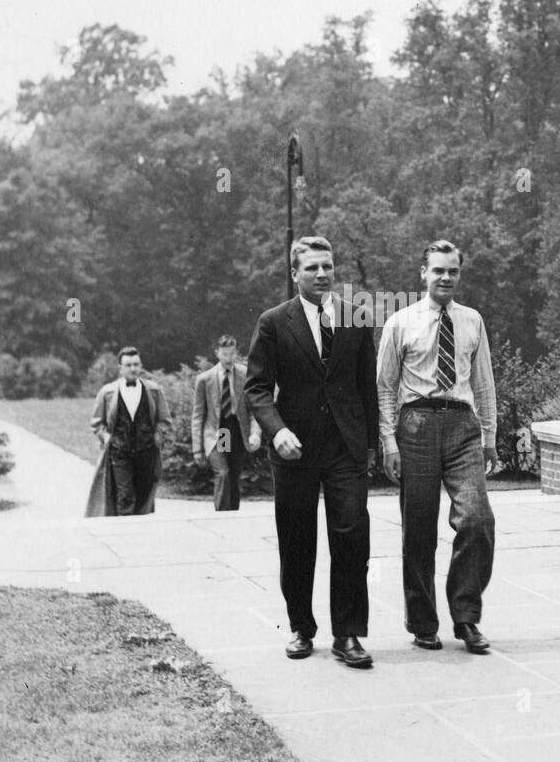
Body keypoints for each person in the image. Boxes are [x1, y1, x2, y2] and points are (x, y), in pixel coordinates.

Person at [245, 236, 379, 669]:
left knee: (352, 537)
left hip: (345, 448)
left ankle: (349, 634)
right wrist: (277, 430)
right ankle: (301, 627)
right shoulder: (273, 322)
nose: (322, 274)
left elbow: (366, 389)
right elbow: (257, 388)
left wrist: (372, 445)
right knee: (298, 540)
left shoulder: (357, 319)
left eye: (328, 266)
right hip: (295, 450)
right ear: (294, 273)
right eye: (312, 268)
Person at [377, 239, 498, 655]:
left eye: (453, 271)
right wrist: (388, 441)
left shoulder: (472, 321)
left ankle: (466, 617)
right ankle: (423, 622)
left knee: (477, 520)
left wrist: (491, 437)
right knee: (419, 530)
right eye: (438, 270)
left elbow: (483, 383)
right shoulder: (401, 322)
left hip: (463, 426)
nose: (445, 278)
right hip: (417, 425)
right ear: (422, 273)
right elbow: (384, 388)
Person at [85, 347, 172, 517]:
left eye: (136, 364)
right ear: (120, 368)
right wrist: (106, 437)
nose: (133, 369)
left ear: (141, 366)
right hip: (120, 452)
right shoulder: (107, 392)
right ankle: (125, 536)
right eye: (128, 365)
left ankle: (140, 536)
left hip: (147, 451)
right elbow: (96, 422)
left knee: (144, 497)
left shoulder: (154, 391)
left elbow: (165, 420)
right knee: (124, 497)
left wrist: (158, 435)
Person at [191, 335, 261, 510]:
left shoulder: (245, 374)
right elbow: (198, 415)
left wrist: (255, 432)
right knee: (223, 473)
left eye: (232, 353)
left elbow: (254, 408)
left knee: (233, 476)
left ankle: (232, 518)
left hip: (236, 430)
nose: (229, 358)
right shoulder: (205, 379)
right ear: (217, 353)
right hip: (221, 432)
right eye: (225, 354)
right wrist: (197, 447)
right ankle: (222, 516)